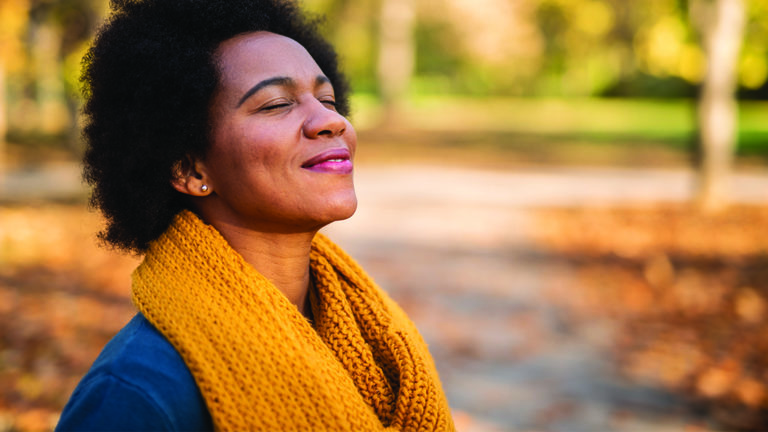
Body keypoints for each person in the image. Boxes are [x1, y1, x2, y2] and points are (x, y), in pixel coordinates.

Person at [55, 0, 455, 430]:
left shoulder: (371, 339)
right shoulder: (138, 395)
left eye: (327, 99)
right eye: (275, 104)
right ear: (189, 170)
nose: (329, 121)